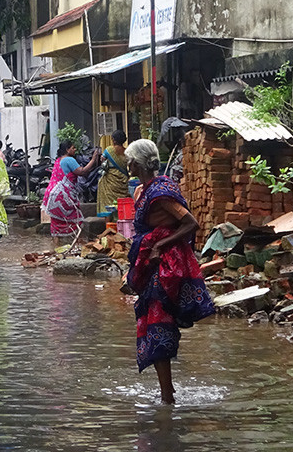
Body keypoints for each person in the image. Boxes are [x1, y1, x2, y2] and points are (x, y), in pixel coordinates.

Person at [124, 139, 214, 404]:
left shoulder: (161, 193)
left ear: (136, 163)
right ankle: (168, 392)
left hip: (165, 268)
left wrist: (159, 246)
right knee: (151, 323)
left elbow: (190, 223)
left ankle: (167, 396)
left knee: (158, 325)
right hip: (149, 267)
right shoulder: (142, 190)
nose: (126, 163)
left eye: (129, 159)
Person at [42, 141, 101, 247]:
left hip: (51, 196)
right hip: (62, 196)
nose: (75, 150)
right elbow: (82, 171)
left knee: (56, 221)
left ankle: (56, 246)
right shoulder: (69, 160)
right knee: (77, 218)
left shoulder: (58, 160)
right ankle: (80, 245)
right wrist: (93, 159)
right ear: (67, 150)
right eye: (73, 148)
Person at [98, 129, 129, 214]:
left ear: (114, 140)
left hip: (110, 180)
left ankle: (109, 224)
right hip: (123, 180)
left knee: (108, 203)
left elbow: (102, 160)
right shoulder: (127, 152)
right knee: (122, 203)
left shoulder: (109, 150)